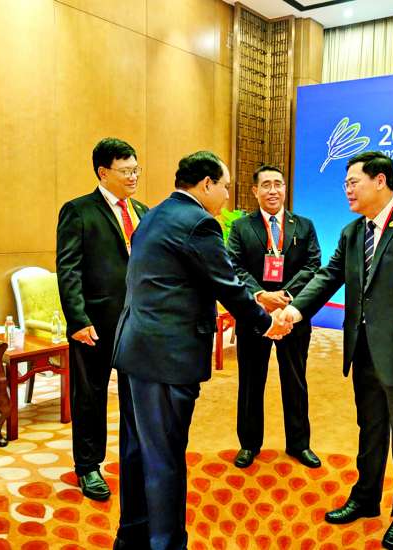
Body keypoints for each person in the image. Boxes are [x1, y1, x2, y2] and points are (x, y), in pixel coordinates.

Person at [110, 151, 292, 550]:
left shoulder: (153, 215)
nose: (227, 195)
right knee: (165, 458)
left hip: (135, 349)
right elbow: (226, 284)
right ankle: (166, 543)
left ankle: (132, 536)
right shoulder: (198, 223)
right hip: (166, 358)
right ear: (206, 184)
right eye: (224, 186)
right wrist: (267, 324)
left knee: (137, 450)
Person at [282, 151, 393, 550]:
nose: (347, 190)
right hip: (364, 352)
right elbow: (329, 276)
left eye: (353, 182)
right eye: (345, 184)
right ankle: (366, 497)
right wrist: (294, 310)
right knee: (370, 430)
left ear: (380, 181)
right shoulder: (352, 232)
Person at [56, 138, 148, 501]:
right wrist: (77, 319)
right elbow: (68, 269)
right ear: (103, 172)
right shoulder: (79, 211)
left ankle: (133, 459)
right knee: (90, 397)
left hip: (136, 324)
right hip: (94, 324)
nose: (133, 177)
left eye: (135, 170)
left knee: (135, 396)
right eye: (125, 171)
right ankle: (88, 466)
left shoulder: (142, 210)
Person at [227, 164, 323, 469]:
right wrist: (261, 296)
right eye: (266, 185)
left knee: (295, 379)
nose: (273, 190)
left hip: (292, 315)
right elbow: (234, 266)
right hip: (255, 316)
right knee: (250, 381)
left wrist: (286, 297)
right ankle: (248, 444)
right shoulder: (241, 227)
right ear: (255, 190)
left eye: (278, 184)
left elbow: (313, 265)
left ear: (285, 188)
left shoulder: (304, 226)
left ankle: (299, 444)